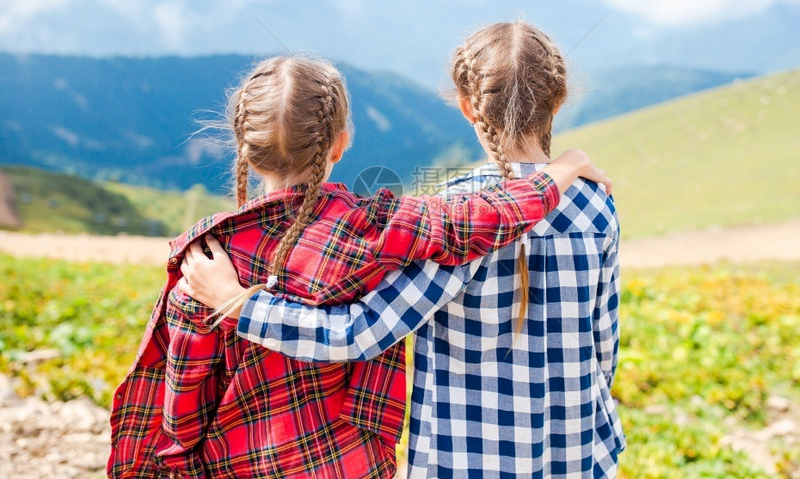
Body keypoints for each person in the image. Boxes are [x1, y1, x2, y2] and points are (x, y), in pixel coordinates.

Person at [108, 54, 611, 478]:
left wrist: (179, 456)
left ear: (245, 149)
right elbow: (480, 219)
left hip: (233, 460)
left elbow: (183, 390)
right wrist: (564, 167)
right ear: (340, 143)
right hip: (345, 460)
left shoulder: (205, 262)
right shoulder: (372, 230)